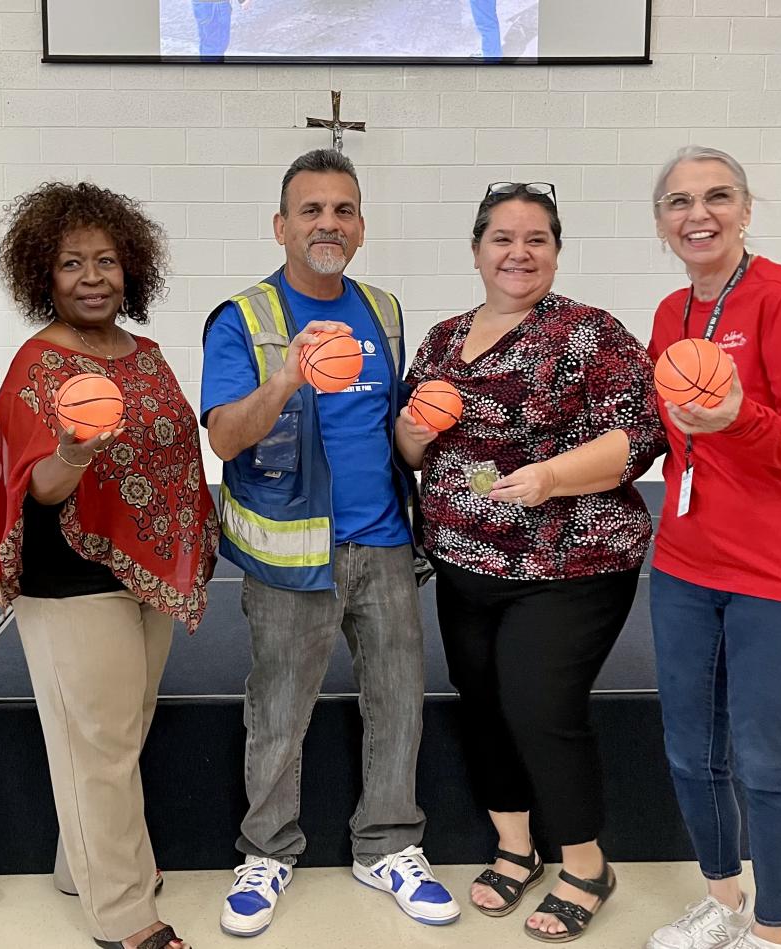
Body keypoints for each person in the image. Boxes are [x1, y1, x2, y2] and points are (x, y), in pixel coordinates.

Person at [397, 181, 666, 943]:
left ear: (555, 249)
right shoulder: (445, 338)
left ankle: (585, 863)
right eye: (503, 238)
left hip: (571, 563)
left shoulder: (590, 332)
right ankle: (515, 847)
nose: (519, 252)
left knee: (539, 706)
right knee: (480, 702)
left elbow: (639, 436)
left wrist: (549, 477)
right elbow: (411, 445)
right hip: (461, 562)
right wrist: (415, 429)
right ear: (477, 249)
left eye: (536, 239)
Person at [201, 148, 459, 937]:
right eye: (311, 210)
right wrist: (286, 379)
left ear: (361, 228)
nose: (328, 223)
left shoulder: (382, 309)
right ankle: (267, 851)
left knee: (398, 705)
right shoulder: (244, 318)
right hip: (290, 558)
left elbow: (392, 433)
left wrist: (422, 433)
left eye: (343, 210)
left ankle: (386, 845)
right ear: (280, 226)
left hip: (383, 544)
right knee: (277, 711)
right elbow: (223, 436)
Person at [0, 181, 218, 949]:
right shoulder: (36, 367)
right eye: (73, 263)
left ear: (130, 270)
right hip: (66, 574)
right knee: (100, 744)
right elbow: (34, 484)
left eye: (106, 261)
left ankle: (85, 864)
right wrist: (74, 451)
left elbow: (178, 453)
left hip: (143, 573)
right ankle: (121, 912)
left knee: (117, 732)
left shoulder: (147, 355)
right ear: (44, 274)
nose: (92, 277)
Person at [643, 147, 781, 949]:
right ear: (660, 223)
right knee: (691, 753)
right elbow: (670, 441)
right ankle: (725, 900)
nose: (699, 214)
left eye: (717, 196)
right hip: (688, 565)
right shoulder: (671, 314)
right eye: (679, 202)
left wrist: (741, 418)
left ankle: (773, 930)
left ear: (746, 208)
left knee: (765, 762)